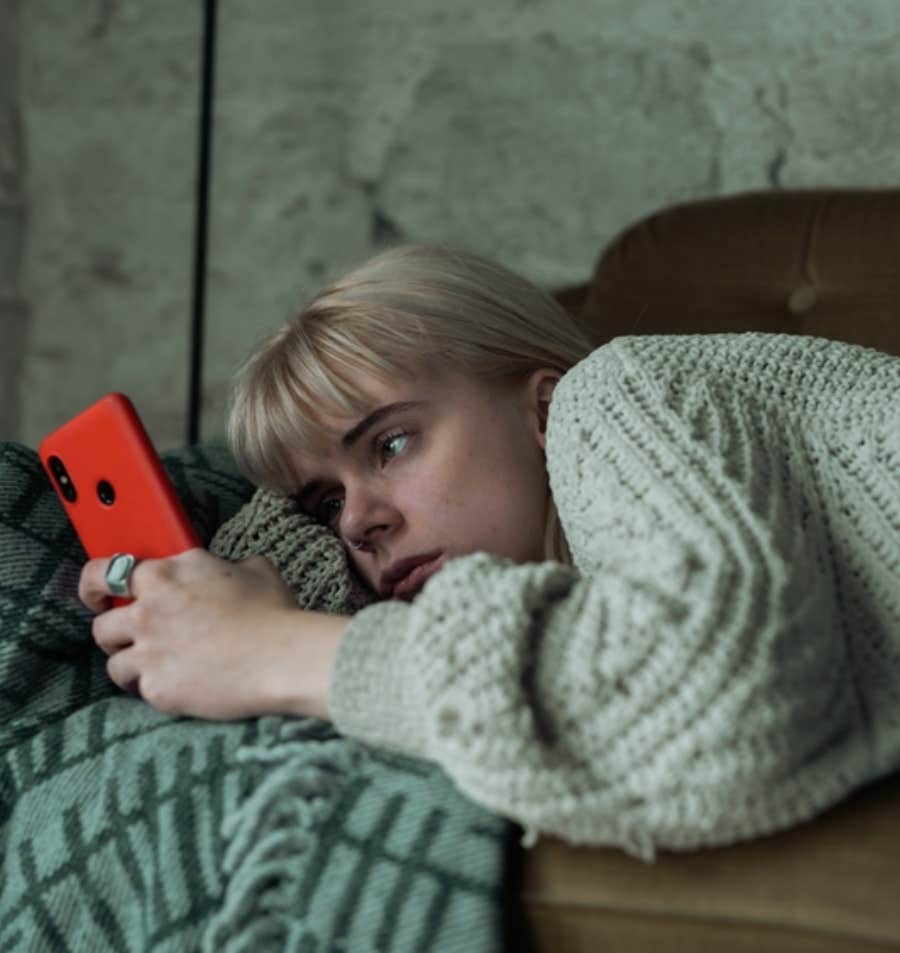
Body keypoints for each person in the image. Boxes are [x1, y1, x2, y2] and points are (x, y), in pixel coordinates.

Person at [79, 243, 900, 859]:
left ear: (539, 408)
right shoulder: (567, 574)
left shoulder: (618, 389)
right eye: (323, 503)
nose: (356, 522)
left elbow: (723, 709)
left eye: (392, 444)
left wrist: (275, 648)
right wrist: (204, 605)